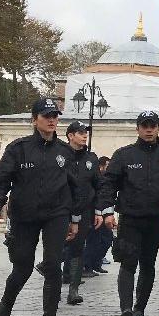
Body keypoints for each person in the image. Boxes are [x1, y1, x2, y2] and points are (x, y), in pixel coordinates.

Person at [0, 98, 81, 316]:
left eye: (55, 116)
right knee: (23, 268)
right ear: (34, 119)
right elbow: (0, 182)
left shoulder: (64, 151)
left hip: (56, 214)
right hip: (24, 215)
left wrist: (75, 217)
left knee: (52, 265)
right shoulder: (18, 148)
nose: (51, 120)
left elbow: (74, 187)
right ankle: (6, 304)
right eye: (46, 115)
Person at [97, 111, 159, 316]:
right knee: (128, 262)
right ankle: (126, 309)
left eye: (152, 125)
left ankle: (139, 310)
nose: (149, 129)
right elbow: (108, 185)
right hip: (129, 218)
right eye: (144, 125)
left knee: (148, 264)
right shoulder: (124, 155)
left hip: (154, 219)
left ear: (158, 128)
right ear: (137, 128)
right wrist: (107, 211)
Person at [61, 121, 100, 305]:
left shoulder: (91, 158)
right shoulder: (60, 155)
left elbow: (98, 185)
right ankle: (53, 276)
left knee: (78, 247)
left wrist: (101, 210)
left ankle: (73, 290)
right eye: (80, 132)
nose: (85, 135)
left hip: (84, 209)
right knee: (58, 245)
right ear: (70, 135)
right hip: (60, 209)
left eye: (86, 132)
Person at [83, 156, 113, 276]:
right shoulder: (96, 179)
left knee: (106, 239)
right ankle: (88, 266)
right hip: (94, 213)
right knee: (92, 241)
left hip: (102, 213)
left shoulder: (104, 179)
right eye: (107, 166)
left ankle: (95, 263)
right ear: (101, 166)